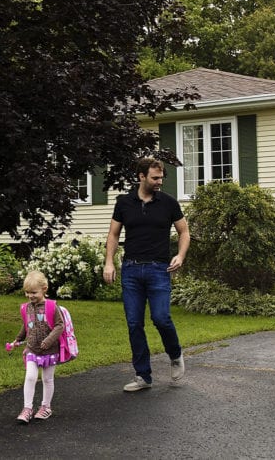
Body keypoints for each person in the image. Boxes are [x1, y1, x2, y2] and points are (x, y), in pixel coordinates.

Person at [102, 156, 190, 392]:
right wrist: (109, 262)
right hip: (131, 270)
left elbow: (184, 231)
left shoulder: (168, 203)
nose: (160, 181)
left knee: (161, 318)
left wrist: (180, 256)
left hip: (158, 269)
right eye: (155, 177)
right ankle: (143, 376)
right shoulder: (124, 202)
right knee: (134, 323)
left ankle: (175, 353)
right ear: (141, 177)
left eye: (161, 177)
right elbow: (113, 235)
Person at [9, 270, 64, 423]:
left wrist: (49, 340)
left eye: (33, 292)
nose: (30, 296)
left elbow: (60, 326)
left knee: (47, 379)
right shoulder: (27, 307)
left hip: (49, 350)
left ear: (44, 289)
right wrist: (17, 340)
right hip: (32, 349)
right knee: (30, 376)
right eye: (27, 292)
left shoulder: (52, 306)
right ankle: (27, 408)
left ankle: (46, 407)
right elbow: (27, 326)